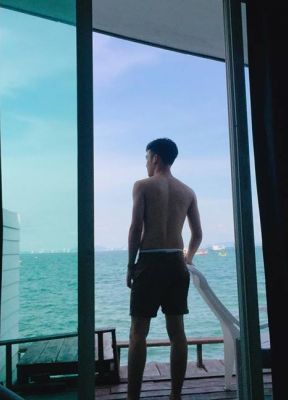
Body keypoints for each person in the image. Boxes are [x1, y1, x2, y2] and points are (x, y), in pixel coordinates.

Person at [126, 138, 203, 400]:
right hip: (176, 265)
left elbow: (136, 228)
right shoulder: (187, 191)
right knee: (177, 333)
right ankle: (175, 396)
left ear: (156, 157)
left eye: (147, 158)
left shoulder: (143, 186)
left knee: (138, 333)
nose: (146, 163)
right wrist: (188, 258)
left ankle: (133, 397)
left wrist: (130, 265)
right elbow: (197, 234)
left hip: (150, 263)